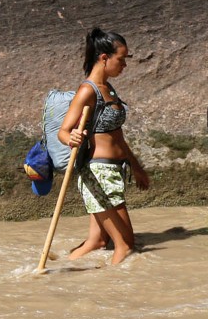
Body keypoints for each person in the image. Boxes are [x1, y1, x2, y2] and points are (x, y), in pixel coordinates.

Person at [58, 27, 150, 265]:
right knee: (126, 245)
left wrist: (136, 167)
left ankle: (60, 268)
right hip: (98, 174)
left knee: (98, 242)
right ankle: (115, 293)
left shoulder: (109, 89)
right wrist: (72, 139)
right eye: (121, 59)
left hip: (114, 171)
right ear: (104, 58)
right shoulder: (87, 90)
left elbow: (117, 137)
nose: (125, 65)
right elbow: (63, 131)